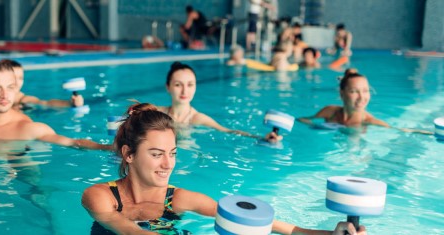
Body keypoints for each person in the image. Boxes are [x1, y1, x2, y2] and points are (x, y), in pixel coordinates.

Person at [81, 103, 367, 234]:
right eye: (156, 154)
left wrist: (332, 234)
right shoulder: (101, 197)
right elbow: (125, 230)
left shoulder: (178, 199)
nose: (168, 164)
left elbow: (266, 223)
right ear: (128, 154)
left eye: (172, 153)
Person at [0, 61, 111, 150]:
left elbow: (73, 142)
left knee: (34, 196)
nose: (4, 94)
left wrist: (107, 148)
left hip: (16, 166)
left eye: (10, 88)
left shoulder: (28, 128)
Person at [160, 62, 280, 142]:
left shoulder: (197, 118)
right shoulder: (158, 112)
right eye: (178, 85)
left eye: (190, 85)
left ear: (195, 87)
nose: (184, 91)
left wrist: (262, 138)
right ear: (167, 87)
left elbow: (228, 131)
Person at [298, 69, 432, 134]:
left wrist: (431, 133)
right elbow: (302, 119)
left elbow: (401, 130)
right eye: (354, 91)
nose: (362, 97)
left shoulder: (367, 121)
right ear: (342, 93)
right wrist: (317, 127)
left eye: (366, 91)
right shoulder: (329, 112)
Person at [0, 59, 80, 110]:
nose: (17, 82)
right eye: (13, 78)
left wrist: (69, 103)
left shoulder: (24, 99)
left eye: (20, 78)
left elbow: (46, 103)